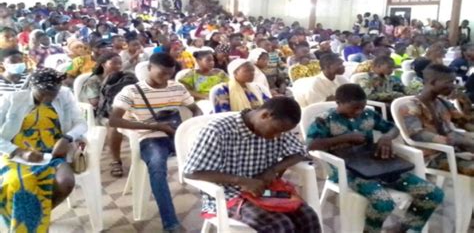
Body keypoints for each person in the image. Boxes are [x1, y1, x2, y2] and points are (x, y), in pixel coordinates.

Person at [306, 83, 444, 233]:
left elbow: (394, 127)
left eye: (362, 107)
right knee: (383, 203)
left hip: (375, 164)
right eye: (354, 108)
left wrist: (386, 137)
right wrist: (343, 138)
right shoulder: (325, 120)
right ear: (338, 103)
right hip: (347, 170)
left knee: (433, 193)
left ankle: (406, 228)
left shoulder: (369, 114)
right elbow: (312, 145)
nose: (359, 112)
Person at [184, 97, 321, 232]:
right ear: (265, 115)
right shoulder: (218, 131)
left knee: (308, 217)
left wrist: (273, 170)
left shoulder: (276, 127)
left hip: (265, 191)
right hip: (229, 196)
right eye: (276, 130)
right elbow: (191, 172)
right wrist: (242, 181)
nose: (278, 136)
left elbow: (299, 152)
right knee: (280, 225)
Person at [109, 53, 201, 232]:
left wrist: (193, 125)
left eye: (170, 73)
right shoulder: (132, 91)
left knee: (211, 158)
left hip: (176, 134)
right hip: (150, 137)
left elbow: (195, 109)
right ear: (149, 68)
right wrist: (153, 125)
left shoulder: (177, 87)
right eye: (162, 73)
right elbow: (114, 120)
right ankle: (171, 223)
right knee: (158, 169)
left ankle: (218, 206)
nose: (166, 78)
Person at [0, 68, 87, 232]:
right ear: (32, 87)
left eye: (53, 92)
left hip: (53, 154)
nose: (48, 97)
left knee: (66, 182)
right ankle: (35, 221)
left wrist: (67, 138)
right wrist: (20, 152)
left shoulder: (64, 96)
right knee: (18, 183)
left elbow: (81, 123)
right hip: (16, 155)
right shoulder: (12, 99)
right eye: (43, 92)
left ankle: (38, 217)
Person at [399, 64, 474, 176]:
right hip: (433, 155)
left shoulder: (442, 102)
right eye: (449, 82)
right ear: (433, 82)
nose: (453, 86)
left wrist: (464, 100)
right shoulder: (410, 106)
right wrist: (458, 140)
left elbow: (464, 122)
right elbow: (417, 134)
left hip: (454, 150)